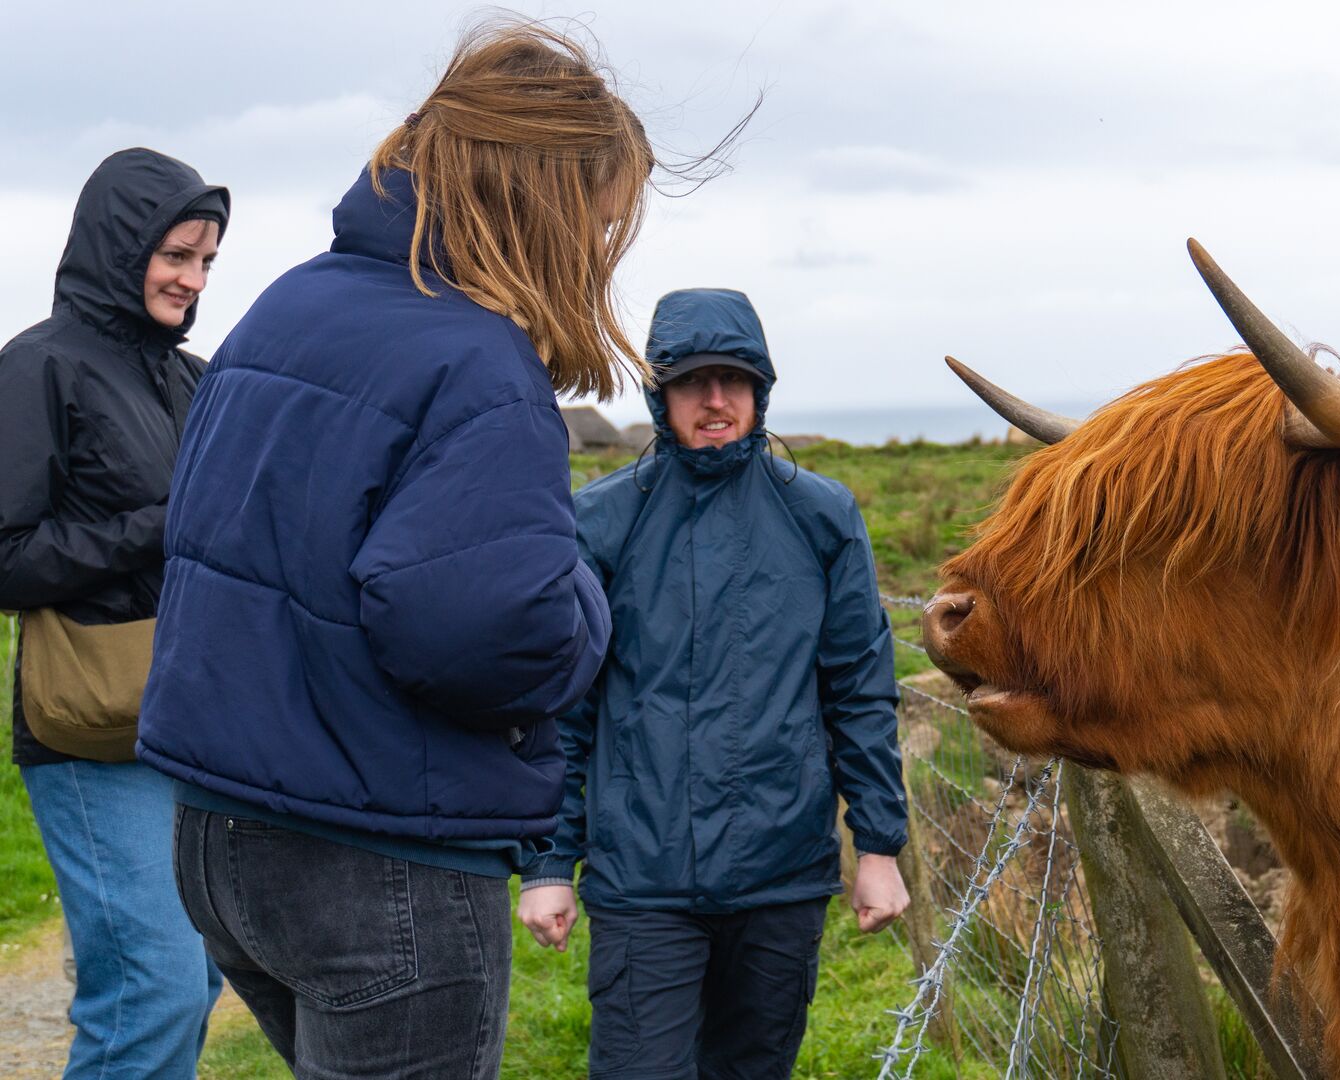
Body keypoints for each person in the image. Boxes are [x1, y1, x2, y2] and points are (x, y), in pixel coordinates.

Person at [136, 24, 649, 1077]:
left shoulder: (289, 303)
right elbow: (480, 629)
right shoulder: (477, 360)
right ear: (541, 201)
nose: (596, 253)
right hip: (378, 857)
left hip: (219, 834)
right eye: (596, 224)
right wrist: (590, 609)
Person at [517, 287, 912, 1078]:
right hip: (642, 880)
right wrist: (550, 863)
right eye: (693, 381)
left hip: (782, 872)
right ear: (659, 393)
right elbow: (559, 708)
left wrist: (878, 844)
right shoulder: (598, 522)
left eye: (735, 379)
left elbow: (859, 691)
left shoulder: (822, 518)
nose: (716, 399)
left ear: (762, 389)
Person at [0, 147, 228, 1079]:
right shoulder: (37, 368)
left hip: (189, 721)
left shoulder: (192, 377)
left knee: (195, 981)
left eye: (207, 260)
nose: (192, 278)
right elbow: (6, 559)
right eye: (176, 254)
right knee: (156, 989)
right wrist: (159, 527)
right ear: (120, 246)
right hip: (92, 730)